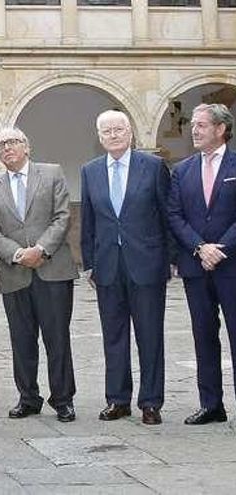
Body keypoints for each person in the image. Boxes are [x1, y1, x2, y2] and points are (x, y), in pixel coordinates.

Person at [0, 126, 78, 422]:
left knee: (57, 338)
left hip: (52, 270)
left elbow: (63, 216)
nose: (7, 148)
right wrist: (17, 254)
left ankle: (63, 399)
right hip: (15, 273)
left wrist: (41, 249)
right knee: (21, 340)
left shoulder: (51, 173)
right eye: (1, 145)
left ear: (27, 146)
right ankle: (28, 397)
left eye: (12, 142)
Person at [80, 110, 170, 425]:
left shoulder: (154, 167)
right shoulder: (90, 171)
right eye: (107, 131)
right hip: (107, 267)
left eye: (119, 129)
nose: (114, 135)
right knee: (114, 336)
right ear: (99, 136)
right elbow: (88, 221)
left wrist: (169, 259)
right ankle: (117, 400)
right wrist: (89, 262)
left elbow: (166, 215)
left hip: (146, 265)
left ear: (130, 133)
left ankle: (150, 402)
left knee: (149, 335)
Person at [168, 103, 236, 425]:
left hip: (231, 264)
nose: (194, 130)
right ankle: (211, 405)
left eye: (201, 125)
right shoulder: (182, 170)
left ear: (221, 129)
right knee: (203, 335)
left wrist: (220, 248)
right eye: (193, 124)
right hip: (196, 268)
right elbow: (174, 215)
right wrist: (199, 247)